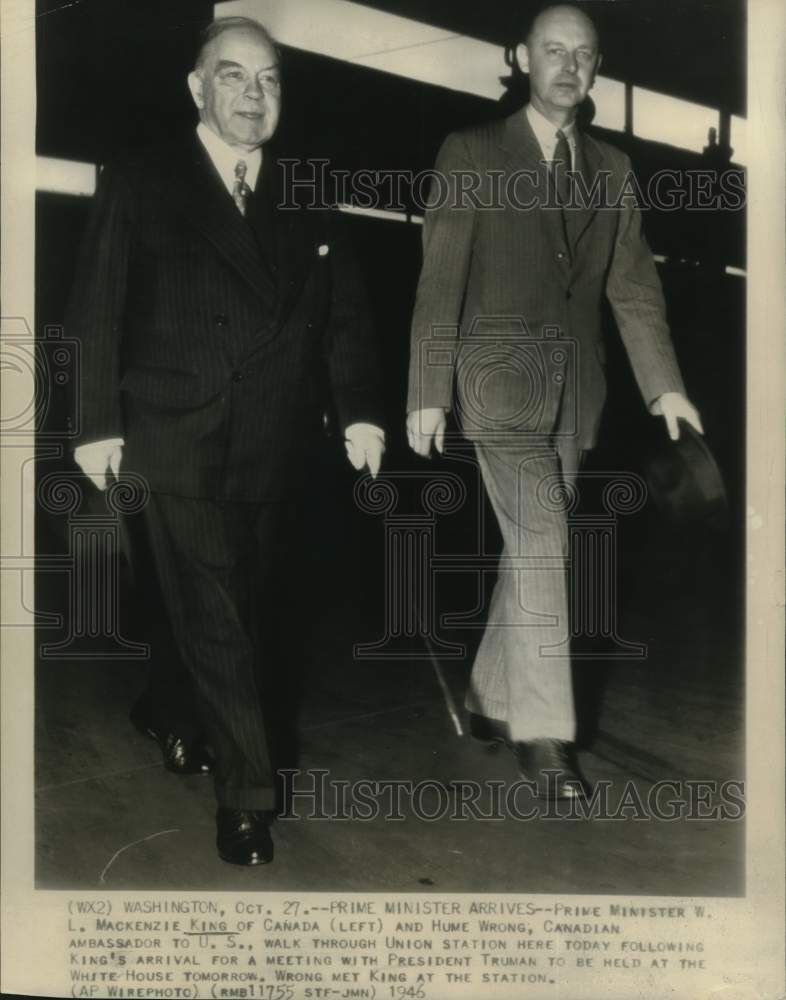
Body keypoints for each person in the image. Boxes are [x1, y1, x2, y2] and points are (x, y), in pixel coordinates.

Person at [69, 16, 385, 864]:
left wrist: (358, 410)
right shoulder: (142, 180)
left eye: (270, 79)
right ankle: (247, 797)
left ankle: (169, 707)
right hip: (174, 434)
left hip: (273, 444)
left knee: (241, 608)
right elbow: (96, 308)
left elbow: (346, 316)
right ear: (196, 88)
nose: (254, 95)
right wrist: (94, 423)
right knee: (217, 614)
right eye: (234, 76)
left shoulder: (306, 190)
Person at [406, 3, 702, 799]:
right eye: (553, 50)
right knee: (544, 539)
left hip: (580, 395)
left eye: (584, 53)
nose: (568, 65)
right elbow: (440, 282)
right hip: (496, 384)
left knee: (533, 548)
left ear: (596, 68)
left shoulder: (612, 168)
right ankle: (544, 733)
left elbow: (633, 286)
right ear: (520, 57)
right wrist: (427, 390)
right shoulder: (470, 151)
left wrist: (665, 386)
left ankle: (491, 695)